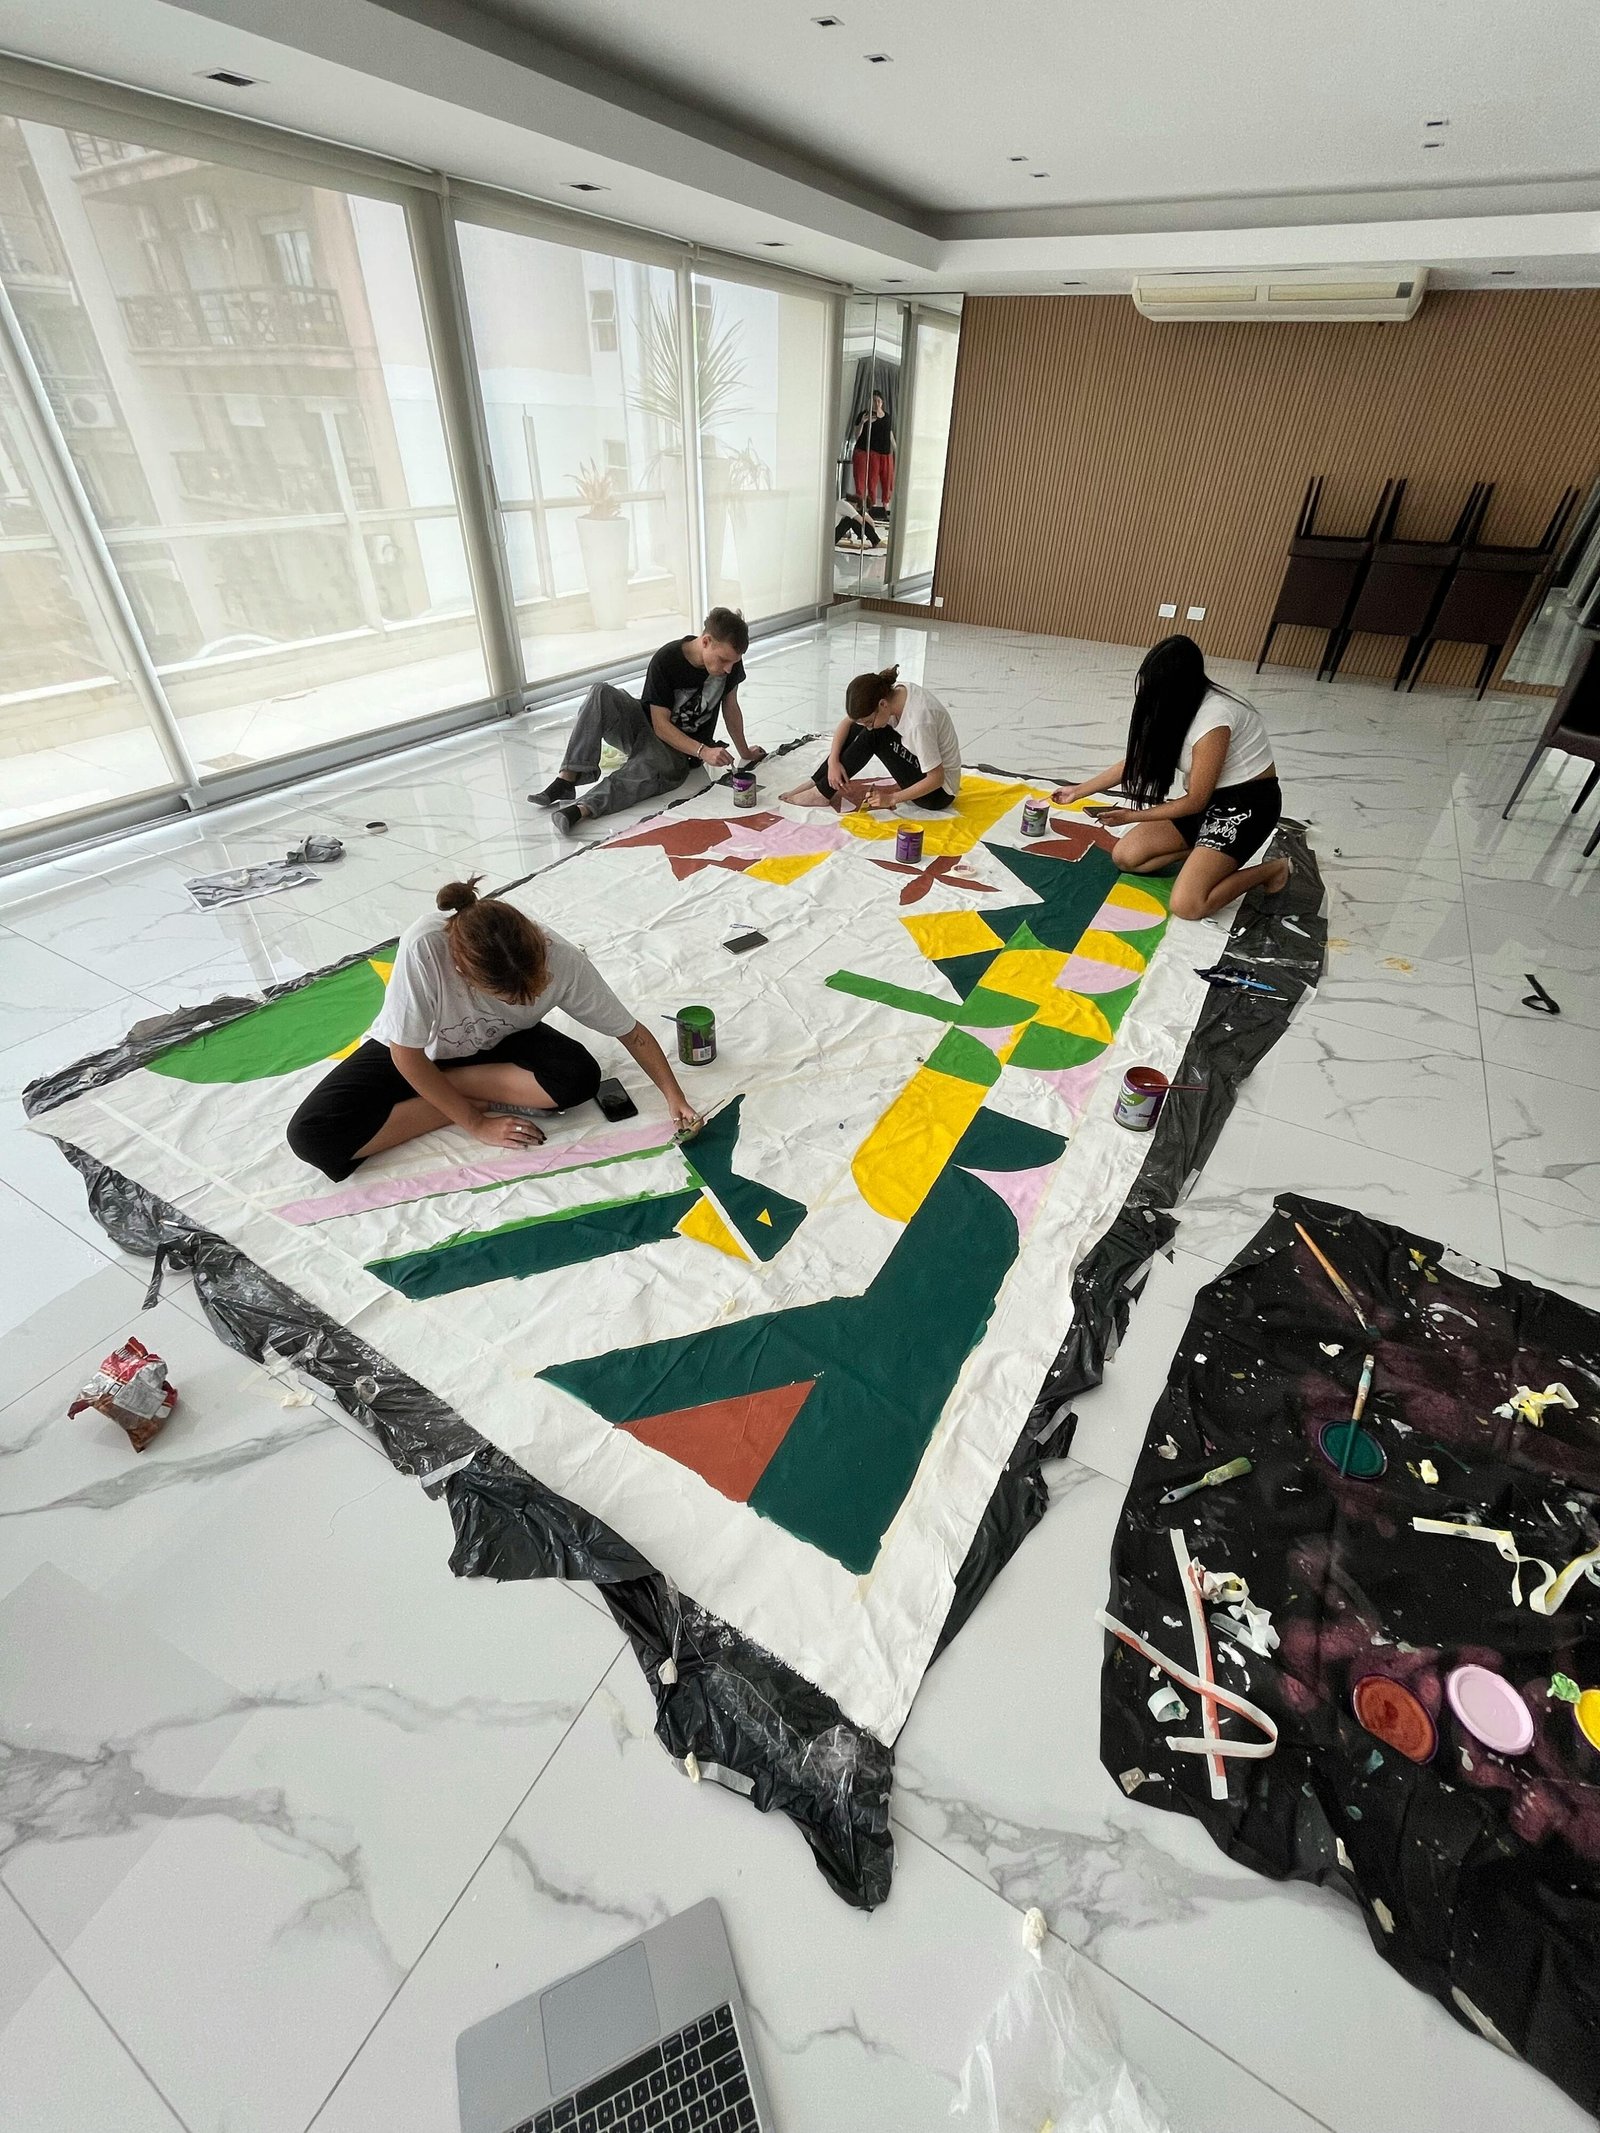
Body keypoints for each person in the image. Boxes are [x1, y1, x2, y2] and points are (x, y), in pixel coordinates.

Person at [285, 878, 697, 1182]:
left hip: (504, 1040)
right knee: (313, 1139)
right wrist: (474, 1123)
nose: (520, 1002)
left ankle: (447, 1088)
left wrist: (674, 1096)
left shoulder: (562, 959)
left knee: (579, 1080)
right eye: (503, 994)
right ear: (462, 969)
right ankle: (462, 1095)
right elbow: (406, 1054)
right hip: (419, 1049)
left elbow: (630, 1032)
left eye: (529, 993)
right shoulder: (426, 946)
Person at [1052, 634, 1290, 920]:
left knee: (1188, 905)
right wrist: (1079, 791)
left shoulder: (1215, 718)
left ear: (1179, 687)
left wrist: (1132, 816)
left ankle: (1273, 870)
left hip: (1246, 805)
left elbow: (1195, 802)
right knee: (1127, 857)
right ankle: (1203, 852)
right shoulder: (1174, 708)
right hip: (1208, 801)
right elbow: (1136, 763)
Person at [530, 607, 765, 834]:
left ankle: (582, 809)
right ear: (706, 641)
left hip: (678, 753)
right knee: (600, 693)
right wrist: (704, 751)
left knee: (646, 767)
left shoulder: (730, 663)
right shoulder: (667, 659)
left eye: (733, 662)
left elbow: (731, 707)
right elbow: (661, 726)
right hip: (650, 728)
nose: (728, 669)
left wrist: (744, 752)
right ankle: (567, 778)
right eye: (724, 660)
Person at [784, 664, 960, 812]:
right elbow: (847, 723)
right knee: (863, 728)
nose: (867, 725)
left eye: (869, 720)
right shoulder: (892, 694)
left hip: (937, 794)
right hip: (922, 771)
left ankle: (821, 793)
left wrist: (891, 799)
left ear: (882, 704)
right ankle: (816, 783)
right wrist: (833, 762)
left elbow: (936, 778)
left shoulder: (919, 722)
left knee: (874, 734)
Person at [850, 392, 896, 510]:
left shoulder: (887, 417)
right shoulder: (864, 415)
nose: (876, 404)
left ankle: (885, 506)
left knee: (887, 481)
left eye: (878, 401)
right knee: (868, 480)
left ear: (882, 402)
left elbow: (889, 433)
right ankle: (867, 506)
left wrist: (896, 449)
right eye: (874, 400)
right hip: (868, 452)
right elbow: (856, 436)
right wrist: (864, 422)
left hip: (885, 453)